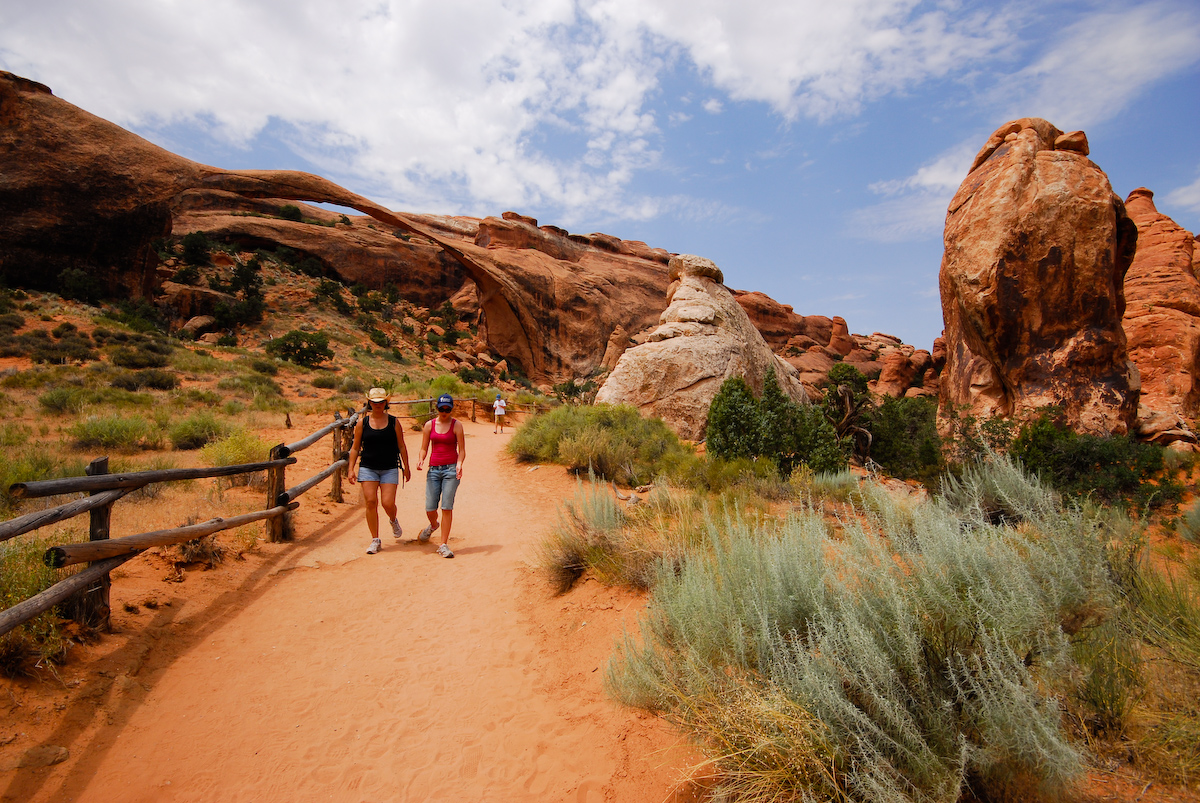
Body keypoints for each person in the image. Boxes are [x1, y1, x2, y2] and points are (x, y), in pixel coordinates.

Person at [347, 387, 411, 554]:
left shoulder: (394, 422)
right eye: (375, 402)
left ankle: (393, 519)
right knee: (370, 502)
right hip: (368, 467)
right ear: (369, 403)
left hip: (389, 467)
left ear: (385, 403)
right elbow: (355, 448)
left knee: (387, 503)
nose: (378, 405)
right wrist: (351, 469)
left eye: (381, 401)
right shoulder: (363, 423)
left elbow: (402, 446)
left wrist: (407, 467)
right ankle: (375, 539)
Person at [416, 393, 465, 558]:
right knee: (430, 507)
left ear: (451, 409)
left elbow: (462, 450)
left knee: (446, 506)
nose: (444, 411)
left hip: (451, 470)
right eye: (441, 408)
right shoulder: (429, 425)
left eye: (447, 409)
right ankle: (433, 525)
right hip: (434, 470)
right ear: (436, 408)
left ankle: (443, 544)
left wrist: (459, 464)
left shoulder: (457, 425)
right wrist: (421, 459)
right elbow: (424, 447)